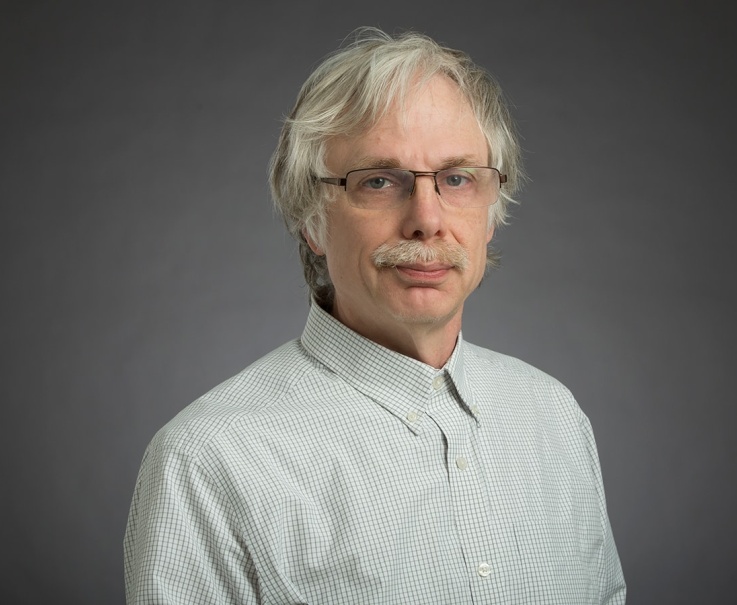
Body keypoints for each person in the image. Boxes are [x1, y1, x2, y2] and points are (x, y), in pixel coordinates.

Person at [124, 27, 626, 604]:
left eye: (457, 179)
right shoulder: (208, 460)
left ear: (491, 213)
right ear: (311, 219)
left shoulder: (554, 417)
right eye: (380, 181)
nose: (427, 220)